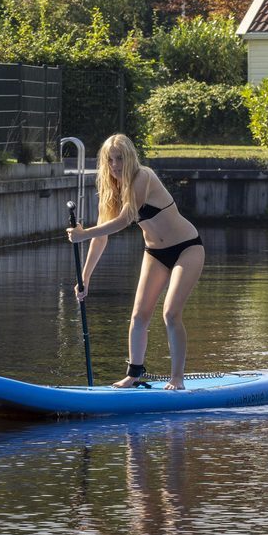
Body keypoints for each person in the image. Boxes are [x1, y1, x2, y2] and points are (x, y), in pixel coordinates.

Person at [66, 133, 205, 389]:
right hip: (155, 253)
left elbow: (125, 219)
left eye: (120, 158)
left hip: (187, 248)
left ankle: (177, 378)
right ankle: (134, 374)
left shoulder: (144, 177)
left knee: (171, 313)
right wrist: (84, 277)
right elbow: (102, 236)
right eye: (110, 160)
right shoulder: (111, 190)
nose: (116, 165)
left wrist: (83, 234)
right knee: (139, 315)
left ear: (130, 158)